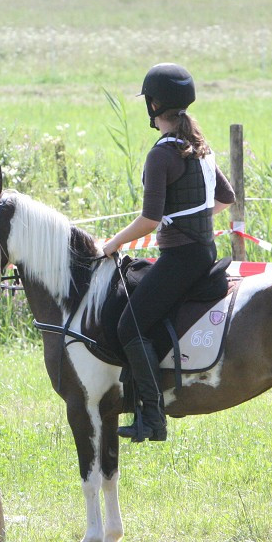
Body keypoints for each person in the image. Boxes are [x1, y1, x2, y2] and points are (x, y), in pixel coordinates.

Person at [101, 63, 235, 443]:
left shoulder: (162, 154)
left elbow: (149, 220)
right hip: (204, 252)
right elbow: (227, 198)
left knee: (128, 325)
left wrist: (112, 244)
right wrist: (192, 220)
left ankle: (153, 419)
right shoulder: (200, 146)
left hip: (181, 260)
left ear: (155, 105)